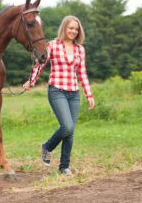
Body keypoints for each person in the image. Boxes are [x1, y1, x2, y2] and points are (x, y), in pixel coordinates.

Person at [23, 15, 95, 176]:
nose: (73, 31)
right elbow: (39, 65)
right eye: (70, 28)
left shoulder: (80, 49)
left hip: (74, 93)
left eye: (76, 29)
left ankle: (64, 167)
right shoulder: (52, 45)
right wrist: (31, 81)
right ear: (64, 28)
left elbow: (82, 73)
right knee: (67, 126)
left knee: (70, 131)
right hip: (57, 91)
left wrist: (89, 94)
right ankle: (47, 147)